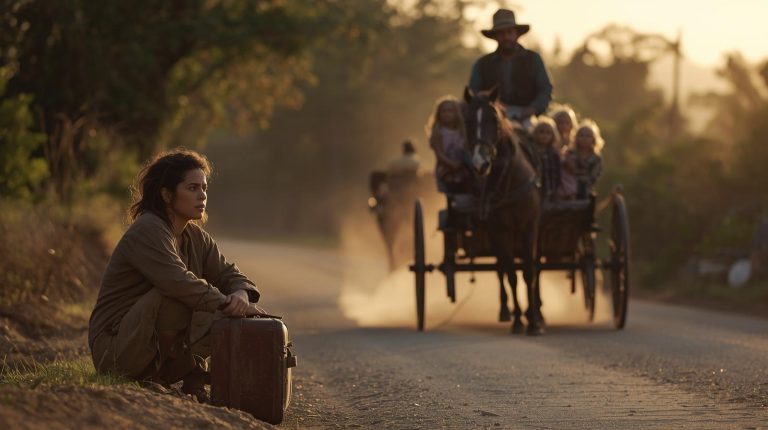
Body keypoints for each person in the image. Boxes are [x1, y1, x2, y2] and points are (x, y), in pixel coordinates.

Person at [88, 148, 265, 403]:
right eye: (192, 188)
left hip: (146, 344)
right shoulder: (148, 229)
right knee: (186, 296)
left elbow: (229, 273)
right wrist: (228, 303)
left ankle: (192, 379)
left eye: (204, 188)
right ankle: (152, 377)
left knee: (221, 303)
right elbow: (177, 282)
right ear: (167, 194)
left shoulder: (195, 236)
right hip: (116, 350)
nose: (202, 195)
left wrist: (240, 294)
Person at [468, 9, 553, 125]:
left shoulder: (533, 59)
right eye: (501, 33)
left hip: (527, 116)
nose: (506, 37)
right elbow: (473, 92)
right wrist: (489, 100)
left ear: (516, 34)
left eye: (509, 32)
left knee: (539, 137)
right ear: (495, 36)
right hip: (493, 117)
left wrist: (532, 109)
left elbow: (545, 89)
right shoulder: (482, 64)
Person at [425, 96, 469, 193]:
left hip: (463, 165)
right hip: (446, 167)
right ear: (438, 114)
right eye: (443, 111)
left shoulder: (462, 131)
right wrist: (453, 165)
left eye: (450, 111)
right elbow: (439, 154)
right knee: (453, 180)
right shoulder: (438, 132)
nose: (446, 114)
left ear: (456, 113)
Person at [560, 120, 604, 199]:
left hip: (585, 188)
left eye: (588, 136)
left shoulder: (596, 158)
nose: (584, 138)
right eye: (581, 135)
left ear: (593, 139)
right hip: (566, 187)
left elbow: (593, 177)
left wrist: (581, 179)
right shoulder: (570, 153)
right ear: (576, 138)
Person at [530, 117, 561, 201]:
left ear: (553, 135)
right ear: (535, 133)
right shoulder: (531, 151)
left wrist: (556, 190)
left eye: (548, 133)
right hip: (532, 190)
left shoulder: (554, 154)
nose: (544, 135)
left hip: (549, 189)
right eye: (541, 132)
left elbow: (557, 174)